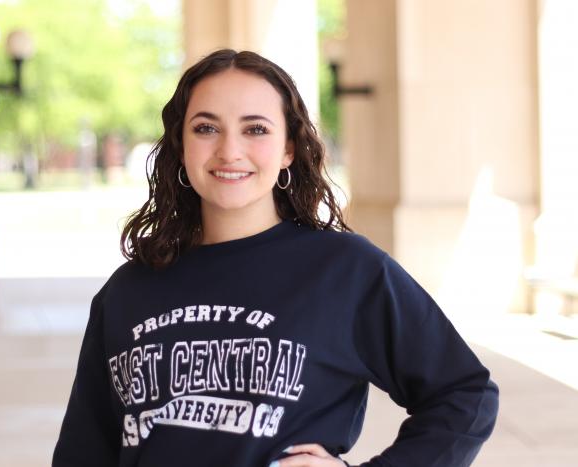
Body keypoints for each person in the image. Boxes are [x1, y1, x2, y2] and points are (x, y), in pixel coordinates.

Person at [52, 49, 499, 467]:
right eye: (206, 128)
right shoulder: (129, 290)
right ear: (180, 145)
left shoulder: (345, 271)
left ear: (289, 148)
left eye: (256, 129)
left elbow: (464, 394)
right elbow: (83, 453)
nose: (229, 151)